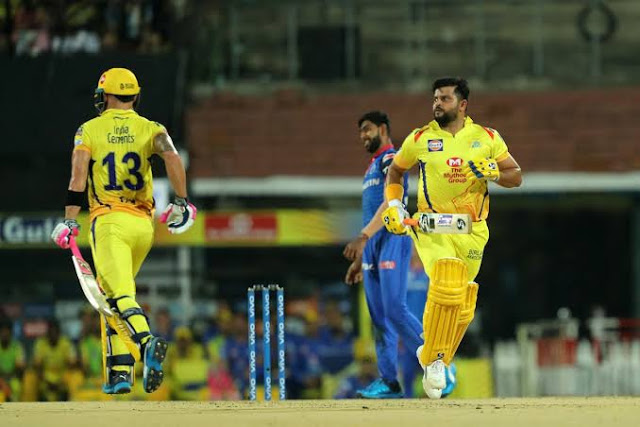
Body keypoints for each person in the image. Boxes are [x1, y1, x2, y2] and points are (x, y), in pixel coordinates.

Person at [50, 67, 197, 395]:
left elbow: (77, 176)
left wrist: (70, 220)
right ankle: (119, 372)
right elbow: (173, 158)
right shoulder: (152, 128)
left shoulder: (89, 130)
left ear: (106, 96)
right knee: (111, 296)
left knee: (117, 296)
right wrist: (182, 202)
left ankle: (146, 343)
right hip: (143, 226)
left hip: (110, 223)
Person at [382, 77, 522, 398]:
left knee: (462, 303)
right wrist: (394, 205)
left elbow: (516, 176)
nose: (437, 103)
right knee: (445, 280)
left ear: (462, 105)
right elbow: (396, 171)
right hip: (432, 224)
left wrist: (494, 172)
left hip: (472, 229)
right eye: (435, 98)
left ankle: (433, 353)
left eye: (445, 99)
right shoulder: (421, 138)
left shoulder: (487, 137)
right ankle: (436, 363)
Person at [343, 111, 423, 398]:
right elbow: (371, 214)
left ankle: (439, 362)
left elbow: (392, 202)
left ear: (383, 129)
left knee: (394, 309)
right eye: (360, 132)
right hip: (373, 248)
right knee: (379, 318)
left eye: (367, 129)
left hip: (392, 238)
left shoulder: (391, 158)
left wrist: (363, 237)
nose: (363, 136)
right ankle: (389, 381)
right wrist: (361, 257)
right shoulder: (372, 167)